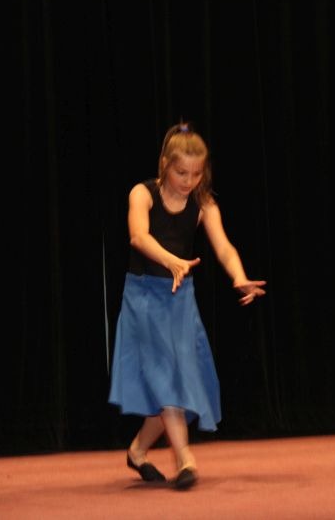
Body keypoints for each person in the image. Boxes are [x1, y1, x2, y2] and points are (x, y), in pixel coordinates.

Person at [108, 122, 266, 489]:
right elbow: (138, 236)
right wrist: (172, 262)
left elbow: (224, 246)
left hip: (180, 303)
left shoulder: (204, 204)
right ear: (165, 164)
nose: (189, 181)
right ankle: (185, 459)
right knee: (167, 378)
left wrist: (238, 275)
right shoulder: (142, 193)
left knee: (175, 383)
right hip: (143, 298)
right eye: (182, 173)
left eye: (196, 174)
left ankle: (138, 451)